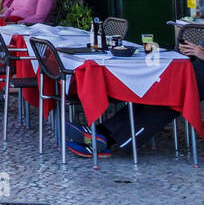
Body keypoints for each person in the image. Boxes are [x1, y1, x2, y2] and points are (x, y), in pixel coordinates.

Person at [67, 36, 204, 158]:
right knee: (151, 92)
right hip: (192, 69)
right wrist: (192, 50)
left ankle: (104, 140)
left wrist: (200, 53)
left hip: (198, 78)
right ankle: (100, 134)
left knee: (168, 100)